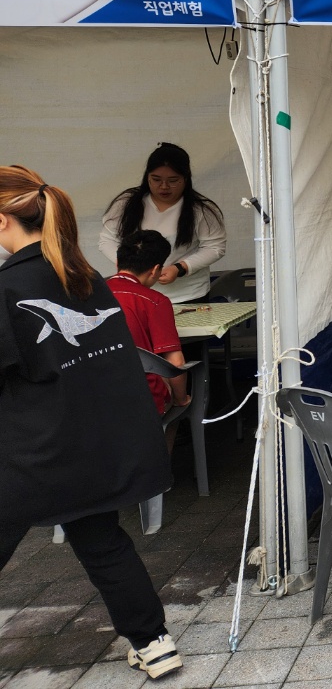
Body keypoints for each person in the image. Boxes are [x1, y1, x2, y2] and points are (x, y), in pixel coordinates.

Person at [0, 167, 183, 680]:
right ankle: (153, 642)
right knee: (102, 541)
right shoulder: (85, 275)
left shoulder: (9, 286)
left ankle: (152, 639)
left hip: (35, 451)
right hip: (90, 443)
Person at [100, 143, 226, 304]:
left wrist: (180, 268)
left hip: (188, 296)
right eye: (156, 179)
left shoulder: (200, 210)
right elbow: (106, 240)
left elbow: (215, 247)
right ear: (147, 177)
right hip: (137, 294)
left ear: (186, 179)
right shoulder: (126, 204)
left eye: (173, 180)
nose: (164, 187)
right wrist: (126, 265)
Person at [108, 230, 189, 451]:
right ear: (156, 270)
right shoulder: (155, 301)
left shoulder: (86, 293)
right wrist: (181, 399)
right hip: (141, 396)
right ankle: (161, 474)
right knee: (174, 409)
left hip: (90, 392)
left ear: (117, 262)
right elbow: (176, 362)